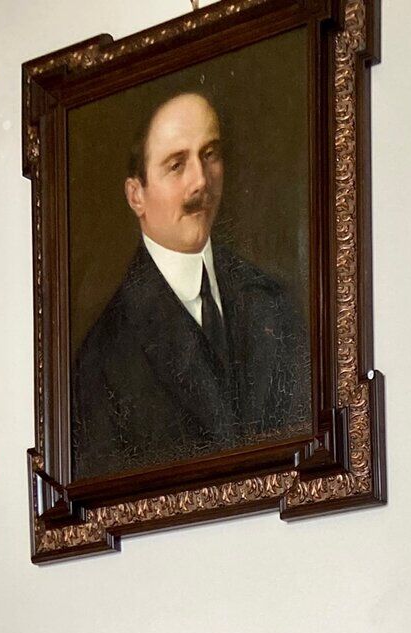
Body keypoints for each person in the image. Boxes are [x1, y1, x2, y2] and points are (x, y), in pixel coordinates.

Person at [72, 91, 310, 482]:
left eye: (210, 154)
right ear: (136, 195)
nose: (201, 181)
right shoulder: (102, 360)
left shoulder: (275, 302)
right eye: (176, 165)